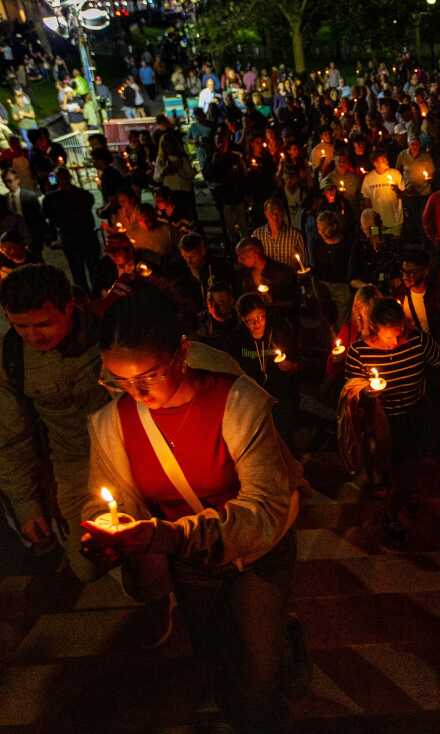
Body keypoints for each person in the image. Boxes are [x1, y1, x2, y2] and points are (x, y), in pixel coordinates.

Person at [74, 280, 302, 734]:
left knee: (259, 672)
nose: (134, 392)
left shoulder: (237, 403)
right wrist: (111, 536)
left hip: (256, 551)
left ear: (181, 355)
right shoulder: (110, 423)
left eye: (147, 376)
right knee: (214, 651)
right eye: (118, 380)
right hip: (188, 562)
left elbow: (264, 508)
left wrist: (171, 534)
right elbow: (115, 496)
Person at [0, 264, 109, 556]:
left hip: (130, 454)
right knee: (87, 562)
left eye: (44, 324)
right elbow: (10, 439)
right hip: (72, 466)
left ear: (69, 308)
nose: (33, 336)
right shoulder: (10, 356)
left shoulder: (110, 330)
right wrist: (26, 504)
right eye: (20, 326)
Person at [346, 298, 440, 548]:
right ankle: (394, 507)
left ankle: (396, 507)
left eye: (398, 335)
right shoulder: (359, 351)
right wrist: (367, 394)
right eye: (388, 337)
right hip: (383, 421)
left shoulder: (417, 340)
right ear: (374, 328)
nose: (394, 343)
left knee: (411, 465)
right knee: (397, 467)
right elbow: (350, 390)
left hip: (416, 412)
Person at [231, 293, 301, 445]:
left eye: (261, 317)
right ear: (243, 320)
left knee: (283, 433)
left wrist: (290, 366)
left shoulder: (279, 332)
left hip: (281, 394)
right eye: (251, 320)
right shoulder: (238, 339)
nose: (257, 323)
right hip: (253, 396)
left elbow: (299, 363)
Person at [41, 167, 98, 293]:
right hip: (78, 236)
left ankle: (89, 294)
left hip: (77, 236)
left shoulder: (53, 199)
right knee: (83, 269)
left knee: (83, 269)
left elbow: (50, 219)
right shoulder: (83, 195)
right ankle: (90, 294)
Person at [234, 237, 299, 320]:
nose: (239, 260)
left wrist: (273, 302)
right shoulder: (244, 273)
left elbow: (294, 302)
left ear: (255, 255)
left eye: (242, 257)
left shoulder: (282, 272)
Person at [251, 198, 306, 270]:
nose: (275, 217)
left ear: (283, 213)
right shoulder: (257, 236)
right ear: (265, 214)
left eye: (278, 213)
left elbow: (303, 264)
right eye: (271, 213)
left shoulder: (296, 236)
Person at [360, 149, 405, 238]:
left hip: (395, 221)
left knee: (395, 246)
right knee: (377, 245)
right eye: (383, 160)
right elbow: (367, 199)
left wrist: (398, 191)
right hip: (376, 222)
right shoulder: (368, 178)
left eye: (386, 159)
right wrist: (371, 221)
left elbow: (404, 195)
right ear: (375, 163)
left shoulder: (396, 174)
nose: (387, 161)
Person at [3, 167, 46, 256]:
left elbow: (39, 218)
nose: (10, 184)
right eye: (7, 181)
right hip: (15, 240)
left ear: (18, 180)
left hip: (32, 237)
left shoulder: (30, 196)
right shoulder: (4, 200)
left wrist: (40, 238)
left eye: (12, 180)